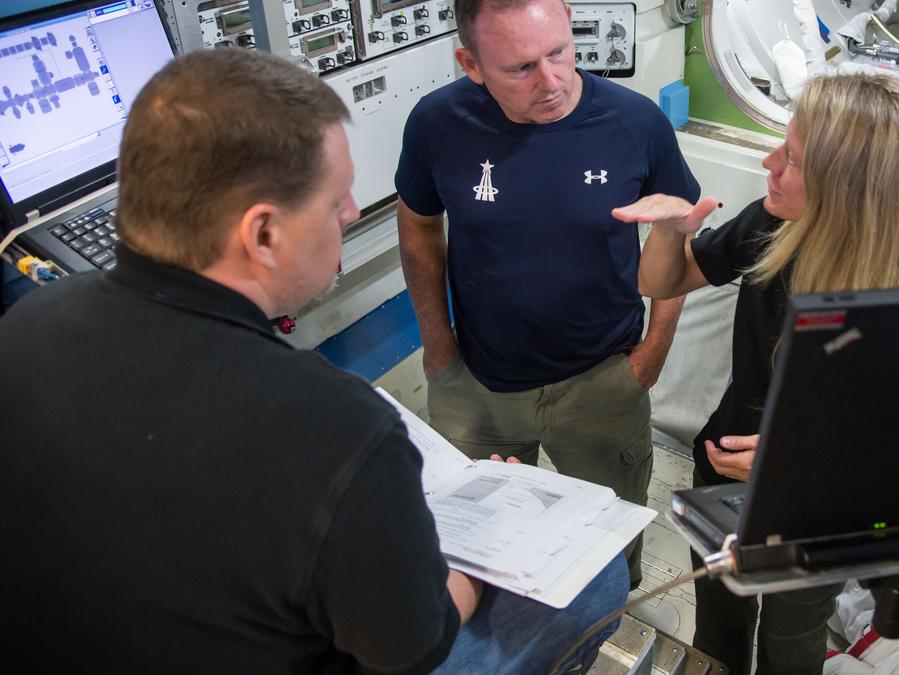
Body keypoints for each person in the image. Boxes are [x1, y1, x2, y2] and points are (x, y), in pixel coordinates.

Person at [0, 49, 626, 673]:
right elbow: (412, 643)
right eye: (336, 200)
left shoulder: (25, 328)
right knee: (595, 576)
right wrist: (476, 551)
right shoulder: (336, 428)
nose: (352, 213)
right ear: (263, 234)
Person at [613, 72, 899, 674]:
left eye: (792, 158)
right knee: (719, 626)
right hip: (725, 473)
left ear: (849, 186)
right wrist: (670, 230)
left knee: (791, 640)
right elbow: (660, 282)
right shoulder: (771, 226)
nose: (769, 163)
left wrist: (799, 463)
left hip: (821, 502)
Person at [395, 0, 701, 587]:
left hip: (603, 384)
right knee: (475, 555)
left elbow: (678, 238)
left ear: (568, 20)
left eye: (560, 50)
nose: (553, 79)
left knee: (610, 557)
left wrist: (650, 358)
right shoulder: (436, 125)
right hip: (476, 387)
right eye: (520, 68)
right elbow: (419, 223)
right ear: (471, 66)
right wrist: (437, 347)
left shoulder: (635, 123)